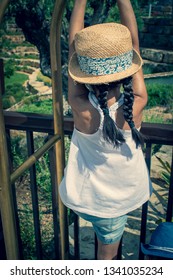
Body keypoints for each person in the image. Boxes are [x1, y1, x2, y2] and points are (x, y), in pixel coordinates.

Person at [59, 0, 152, 260]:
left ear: (84, 73)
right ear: (126, 72)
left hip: (85, 201)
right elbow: (135, 46)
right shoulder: (138, 103)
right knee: (106, 262)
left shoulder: (81, 108)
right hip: (115, 207)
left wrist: (79, 2)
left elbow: (72, 49)